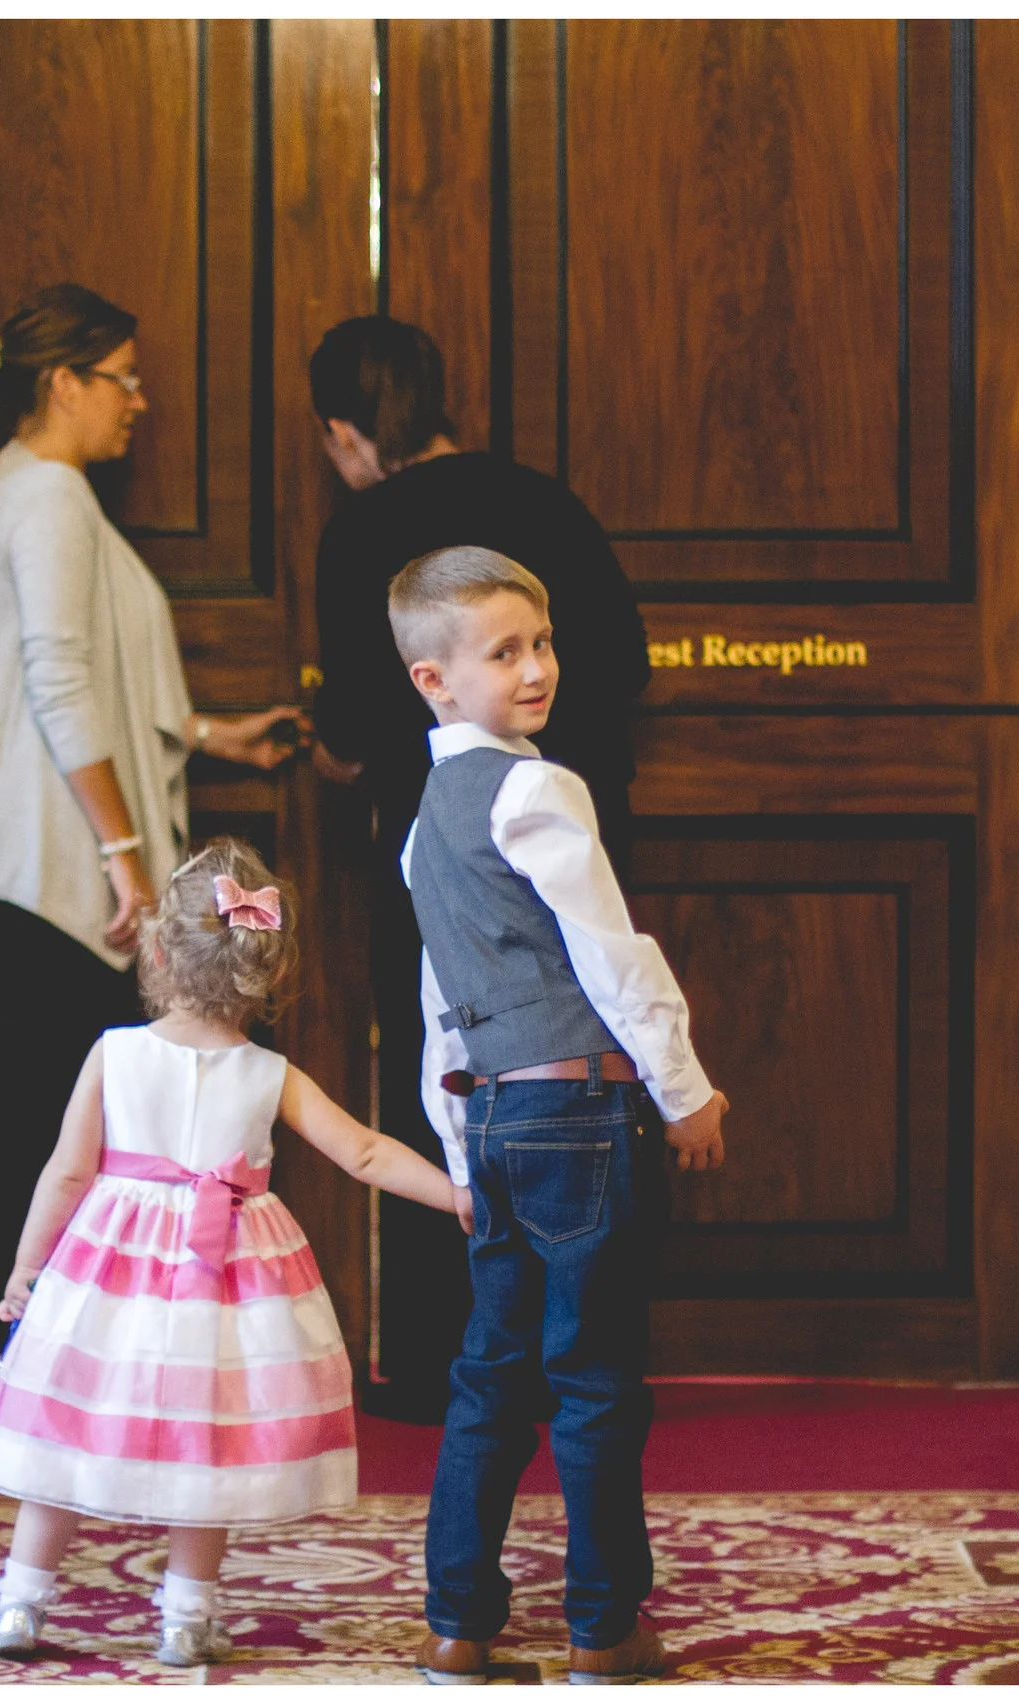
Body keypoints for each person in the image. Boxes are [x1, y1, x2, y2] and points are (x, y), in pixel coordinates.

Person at [0, 839, 460, 1668]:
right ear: (266, 967)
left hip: (110, 1280)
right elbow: (367, 1154)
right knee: (212, 1442)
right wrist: (462, 1196)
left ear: (157, 950)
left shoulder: (115, 1054)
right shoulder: (270, 1072)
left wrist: (27, 1266)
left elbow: (67, 1173)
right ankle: (186, 1618)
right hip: (228, 1287)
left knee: (65, 1432)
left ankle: (20, 1605)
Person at [0, 285, 299, 1391]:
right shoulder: (45, 494)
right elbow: (60, 682)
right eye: (124, 379)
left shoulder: (40, 492)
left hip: (39, 870)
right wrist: (126, 858)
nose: (137, 402)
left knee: (56, 1129)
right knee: (47, 1135)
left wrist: (207, 736)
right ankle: (5, 1369)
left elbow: (90, 669)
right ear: (64, 384)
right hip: (49, 879)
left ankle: (29, 1366)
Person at [385, 548, 726, 1686]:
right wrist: (684, 1092)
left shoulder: (423, 826)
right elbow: (613, 954)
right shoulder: (538, 789)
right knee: (593, 1379)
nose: (536, 669)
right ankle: (602, 1629)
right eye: (503, 652)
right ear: (434, 681)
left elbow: (442, 1010)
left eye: (541, 643)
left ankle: (458, 1623)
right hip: (582, 1114)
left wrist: (458, 1153)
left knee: (487, 1377)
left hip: (489, 1120)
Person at [307, 315, 651, 1421]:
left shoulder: (363, 530)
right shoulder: (546, 505)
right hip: (575, 827)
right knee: (594, 1054)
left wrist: (321, 747)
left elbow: (360, 722)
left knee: (447, 1069)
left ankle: (441, 1359)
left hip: (442, 849)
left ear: (348, 434)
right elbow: (630, 661)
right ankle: (592, 1347)